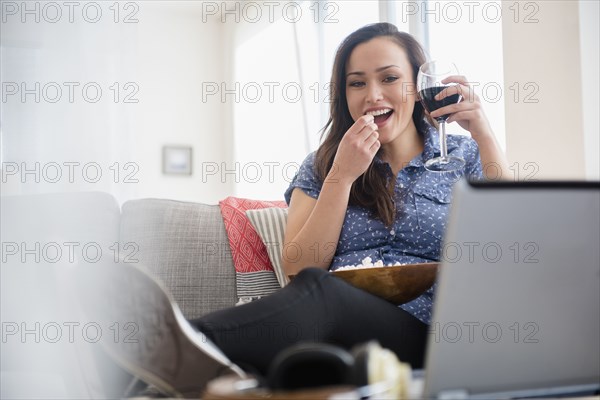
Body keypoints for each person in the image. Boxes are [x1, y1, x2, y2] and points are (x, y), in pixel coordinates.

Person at [89, 22, 509, 397]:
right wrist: (341, 178)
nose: (372, 95)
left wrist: (485, 133)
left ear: (416, 87)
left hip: (428, 332)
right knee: (304, 320)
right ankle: (172, 371)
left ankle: (162, 343)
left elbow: (508, 243)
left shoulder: (460, 155)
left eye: (390, 78)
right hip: (339, 329)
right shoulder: (324, 163)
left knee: (321, 294)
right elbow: (300, 264)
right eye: (356, 83)